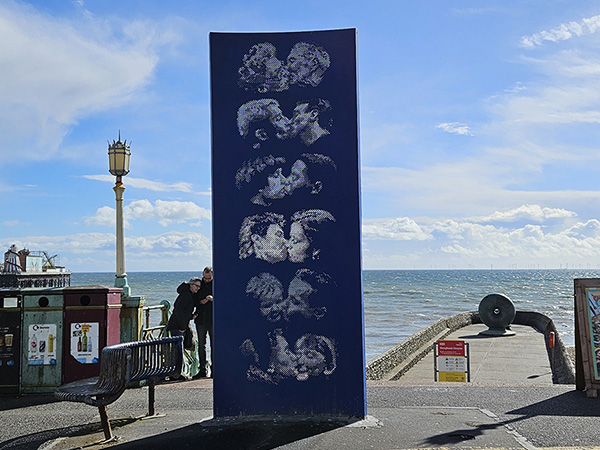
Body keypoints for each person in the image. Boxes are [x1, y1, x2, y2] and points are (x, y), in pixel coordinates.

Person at [167, 277, 202, 380]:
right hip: (177, 326)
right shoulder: (186, 295)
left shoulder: (188, 294)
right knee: (177, 350)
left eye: (199, 287)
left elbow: (183, 311)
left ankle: (176, 373)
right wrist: (182, 327)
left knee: (178, 350)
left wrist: (191, 316)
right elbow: (178, 311)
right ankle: (176, 374)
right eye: (196, 286)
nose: (198, 288)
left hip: (178, 325)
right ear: (191, 284)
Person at [193, 267, 213, 378]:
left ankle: (214, 369)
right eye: (205, 278)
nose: (206, 280)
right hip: (200, 319)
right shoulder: (199, 284)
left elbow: (224, 298)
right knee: (201, 345)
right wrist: (201, 301)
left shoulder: (216, 283)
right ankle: (202, 369)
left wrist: (212, 298)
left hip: (212, 318)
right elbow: (194, 298)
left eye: (208, 279)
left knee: (214, 345)